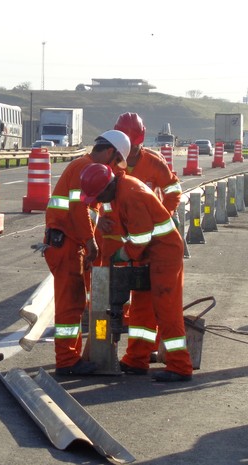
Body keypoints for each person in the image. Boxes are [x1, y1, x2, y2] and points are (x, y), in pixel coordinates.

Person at [80, 163, 193, 382]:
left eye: (97, 196)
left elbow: (141, 237)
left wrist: (124, 253)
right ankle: (136, 359)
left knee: (165, 308)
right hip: (148, 254)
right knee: (142, 308)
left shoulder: (131, 194)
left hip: (163, 253)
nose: (98, 201)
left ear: (106, 188)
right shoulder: (118, 192)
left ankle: (180, 365)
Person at [97, 113, 183, 375]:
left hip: (147, 246)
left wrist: (160, 219)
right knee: (120, 304)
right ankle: (124, 356)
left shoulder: (147, 169)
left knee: (157, 305)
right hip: (123, 243)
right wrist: (100, 221)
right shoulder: (110, 168)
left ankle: (167, 362)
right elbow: (101, 196)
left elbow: (171, 193)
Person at [42, 130, 130, 376]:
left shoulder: (87, 168)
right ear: (110, 152)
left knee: (76, 302)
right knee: (70, 304)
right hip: (67, 244)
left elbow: (88, 208)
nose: (113, 171)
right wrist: (91, 241)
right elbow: (78, 209)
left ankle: (71, 357)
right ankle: (67, 360)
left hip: (70, 243)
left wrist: (97, 223)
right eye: (115, 163)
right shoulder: (84, 168)